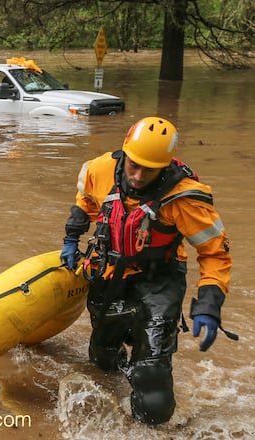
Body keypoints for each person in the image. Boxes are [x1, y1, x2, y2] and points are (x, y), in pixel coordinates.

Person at [59, 116, 234, 425]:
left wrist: (209, 304)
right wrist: (72, 238)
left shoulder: (185, 199)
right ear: (124, 154)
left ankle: (149, 420)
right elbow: (85, 200)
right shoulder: (100, 169)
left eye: (149, 170)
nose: (138, 177)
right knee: (102, 359)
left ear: (164, 167)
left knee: (153, 389)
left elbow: (215, 255)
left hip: (159, 279)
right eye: (133, 166)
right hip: (110, 272)